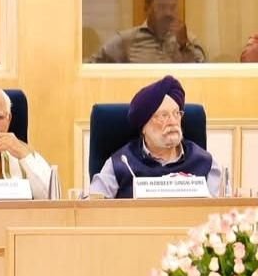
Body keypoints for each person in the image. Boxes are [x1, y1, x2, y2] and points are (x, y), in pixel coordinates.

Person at [90, 75, 221, 198]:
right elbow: (94, 205)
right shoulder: (121, 163)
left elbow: (222, 208)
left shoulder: (205, 162)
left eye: (176, 113)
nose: (173, 122)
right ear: (144, 126)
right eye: (163, 116)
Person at [88, 0, 206, 63]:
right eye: (161, 7)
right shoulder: (126, 40)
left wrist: (184, 45)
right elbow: (90, 68)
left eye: (172, 7)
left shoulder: (186, 39)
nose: (168, 13)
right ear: (146, 8)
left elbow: (203, 75)